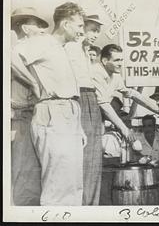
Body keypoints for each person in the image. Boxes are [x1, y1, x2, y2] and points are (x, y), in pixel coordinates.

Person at [11, 2, 86, 206]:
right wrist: (32, 81)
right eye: (79, 26)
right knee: (59, 185)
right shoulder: (44, 42)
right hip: (53, 112)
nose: (82, 31)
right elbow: (11, 56)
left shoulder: (60, 48)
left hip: (69, 114)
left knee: (72, 183)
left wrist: (78, 127)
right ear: (65, 23)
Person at [10, 7, 49, 205]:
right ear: (25, 28)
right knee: (23, 172)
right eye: (38, 26)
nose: (42, 30)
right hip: (20, 117)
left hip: (34, 116)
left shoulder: (34, 54)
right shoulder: (14, 52)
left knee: (35, 171)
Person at [64, 14, 104, 205]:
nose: (95, 34)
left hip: (90, 98)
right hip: (80, 97)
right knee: (85, 156)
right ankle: (84, 206)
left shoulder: (85, 51)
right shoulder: (72, 47)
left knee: (94, 158)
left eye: (98, 31)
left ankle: (90, 205)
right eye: (91, 29)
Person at [91, 44, 159, 143]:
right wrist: (124, 129)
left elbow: (130, 93)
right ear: (104, 61)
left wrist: (155, 108)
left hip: (97, 118)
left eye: (121, 60)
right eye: (117, 60)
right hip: (85, 116)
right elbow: (104, 104)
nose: (120, 64)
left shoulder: (115, 75)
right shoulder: (95, 72)